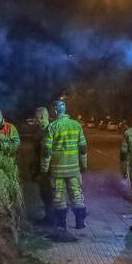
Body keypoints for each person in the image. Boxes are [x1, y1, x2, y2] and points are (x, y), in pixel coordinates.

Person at [41, 100, 88, 241]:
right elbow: (83, 147)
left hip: (58, 170)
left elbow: (47, 151)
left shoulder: (52, 127)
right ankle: (80, 223)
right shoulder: (76, 125)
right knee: (77, 195)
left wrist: (44, 168)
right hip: (74, 168)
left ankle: (62, 225)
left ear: (55, 111)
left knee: (59, 197)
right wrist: (84, 164)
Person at [31, 106, 52, 225]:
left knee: (48, 194)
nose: (36, 120)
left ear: (43, 117)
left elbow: (47, 153)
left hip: (47, 169)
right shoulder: (40, 131)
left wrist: (44, 170)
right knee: (43, 193)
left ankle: (51, 219)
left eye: (37, 117)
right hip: (41, 167)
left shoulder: (49, 131)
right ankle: (48, 216)